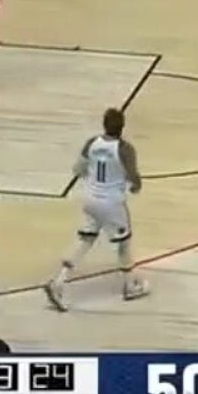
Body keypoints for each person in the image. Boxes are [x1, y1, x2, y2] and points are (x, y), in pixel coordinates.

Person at [45, 107, 148, 310]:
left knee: (85, 240)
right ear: (122, 126)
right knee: (124, 243)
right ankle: (130, 286)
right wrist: (135, 185)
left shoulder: (91, 143)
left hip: (90, 199)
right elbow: (134, 177)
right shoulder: (125, 149)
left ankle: (59, 282)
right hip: (111, 203)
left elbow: (77, 169)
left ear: (104, 124)